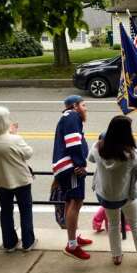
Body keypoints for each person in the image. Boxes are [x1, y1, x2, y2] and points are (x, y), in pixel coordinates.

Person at [88, 115, 137, 267]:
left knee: (112, 224)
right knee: (136, 224)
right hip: (127, 195)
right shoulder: (131, 154)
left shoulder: (98, 147)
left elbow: (90, 159)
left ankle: (116, 256)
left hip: (105, 195)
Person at [52, 95, 93, 260]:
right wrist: (80, 164)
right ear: (75, 106)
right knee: (75, 202)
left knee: (73, 201)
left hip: (67, 167)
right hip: (71, 168)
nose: (86, 108)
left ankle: (73, 238)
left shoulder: (69, 117)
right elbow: (73, 143)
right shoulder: (73, 117)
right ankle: (72, 245)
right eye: (84, 105)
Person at [0, 106, 36, 252]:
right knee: (25, 210)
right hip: (21, 180)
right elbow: (28, 153)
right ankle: (28, 242)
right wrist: (13, 134)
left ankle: (9, 243)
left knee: (5, 210)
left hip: (0, 181)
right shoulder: (15, 139)